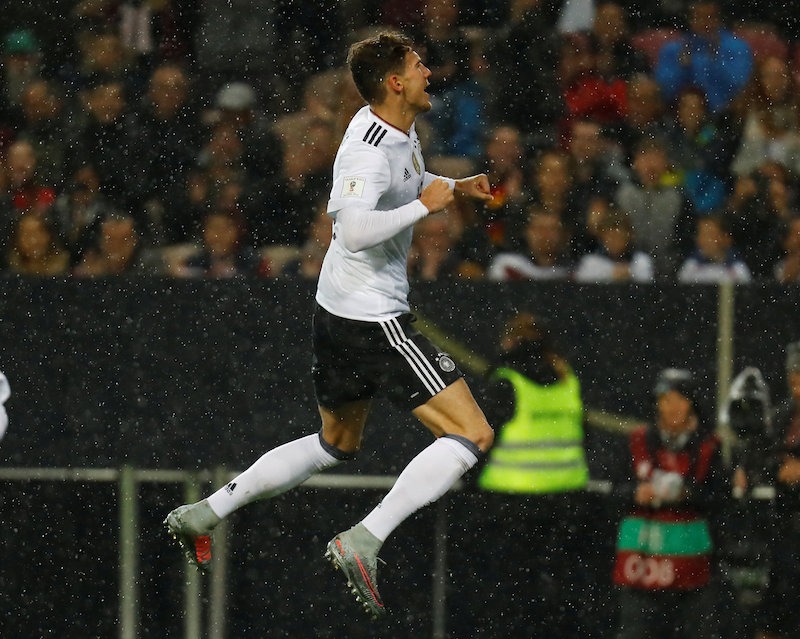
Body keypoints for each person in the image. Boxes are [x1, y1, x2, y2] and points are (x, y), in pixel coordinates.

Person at [164, 31, 494, 620]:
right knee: (471, 435)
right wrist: (427, 207)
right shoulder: (367, 147)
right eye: (418, 65)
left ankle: (206, 511)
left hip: (339, 312)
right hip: (373, 318)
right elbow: (354, 230)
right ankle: (365, 537)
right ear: (395, 82)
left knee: (334, 443)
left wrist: (450, 188)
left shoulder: (399, 129)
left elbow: (402, 184)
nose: (427, 72)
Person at [470, 311, 589, 635]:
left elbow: (482, 438)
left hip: (511, 502)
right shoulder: (566, 377)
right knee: (560, 594)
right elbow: (585, 436)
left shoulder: (507, 380)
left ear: (510, 340)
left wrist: (468, 483)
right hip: (566, 500)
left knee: (510, 595)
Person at [613, 368, 727, 639]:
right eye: (665, 400)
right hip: (641, 568)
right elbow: (612, 489)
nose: (672, 407)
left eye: (680, 400)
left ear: (692, 403)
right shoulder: (637, 441)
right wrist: (636, 493)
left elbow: (720, 498)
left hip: (691, 570)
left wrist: (686, 495)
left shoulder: (708, 446)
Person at [756, 342, 800, 639]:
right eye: (793, 381)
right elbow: (763, 457)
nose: (797, 389)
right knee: (776, 609)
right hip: (785, 527)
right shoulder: (783, 415)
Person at [655, 0, 753, 114]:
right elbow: (662, 90)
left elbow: (741, 87)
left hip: (726, 116)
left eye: (710, 17)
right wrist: (682, 69)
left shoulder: (737, 48)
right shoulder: (673, 49)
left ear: (719, 19)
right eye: (699, 17)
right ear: (690, 19)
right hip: (680, 118)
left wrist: (715, 64)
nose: (705, 23)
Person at [677, 214, 752, 284]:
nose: (705, 240)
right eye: (702, 235)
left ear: (724, 237)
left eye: (710, 235)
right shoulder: (690, 266)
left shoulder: (737, 267)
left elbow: (745, 287)